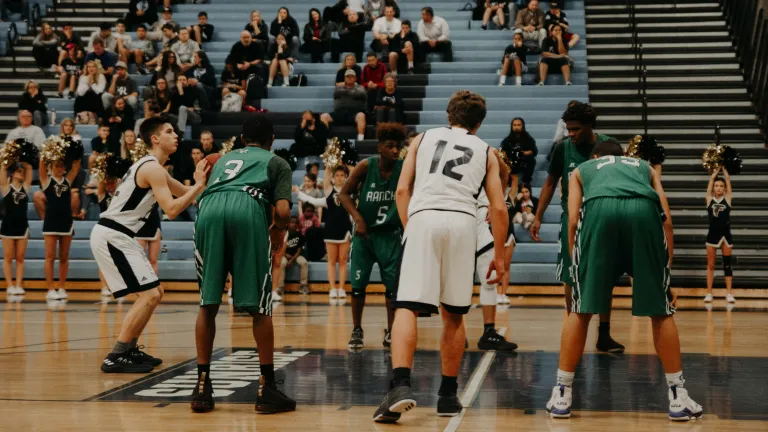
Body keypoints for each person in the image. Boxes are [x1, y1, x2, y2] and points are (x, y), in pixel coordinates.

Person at [373, 91, 508, 423]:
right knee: (455, 314)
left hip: (425, 217)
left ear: (449, 115)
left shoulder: (422, 139)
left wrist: (412, 228)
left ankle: (400, 386)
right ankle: (448, 395)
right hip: (463, 224)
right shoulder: (487, 151)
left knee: (406, 306)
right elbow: (499, 208)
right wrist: (499, 257)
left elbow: (402, 190)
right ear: (479, 123)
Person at [548, 139, 703, 422]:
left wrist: (576, 267)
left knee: (580, 309)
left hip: (599, 213)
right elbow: (667, 220)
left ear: (596, 157)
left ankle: (562, 394)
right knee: (661, 310)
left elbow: (572, 219)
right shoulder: (645, 167)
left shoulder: (582, 169)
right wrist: (665, 275)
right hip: (643, 213)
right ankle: (678, 396)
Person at [191, 115, 296, 414]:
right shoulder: (276, 162)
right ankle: (267, 388)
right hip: (247, 207)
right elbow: (283, 211)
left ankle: (202, 387)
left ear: (241, 139)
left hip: (209, 209)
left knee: (208, 303)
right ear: (271, 139)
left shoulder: (223, 159)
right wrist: (278, 231)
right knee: (260, 307)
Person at [90, 115, 208, 373]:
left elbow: (184, 193)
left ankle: (129, 349)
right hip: (112, 234)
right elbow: (172, 209)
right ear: (155, 138)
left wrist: (207, 186)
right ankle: (116, 355)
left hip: (121, 235)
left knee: (156, 293)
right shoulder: (152, 168)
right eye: (169, 131)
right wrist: (198, 185)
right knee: (150, 294)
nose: (176, 135)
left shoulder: (155, 168)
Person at [530, 102, 624, 353]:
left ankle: (604, 334)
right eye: (568, 128)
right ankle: (574, 329)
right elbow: (550, 183)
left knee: (604, 275)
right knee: (570, 276)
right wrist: (538, 217)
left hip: (602, 216)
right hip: (573, 217)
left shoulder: (609, 146)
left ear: (590, 126)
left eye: (576, 129)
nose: (570, 133)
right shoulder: (563, 148)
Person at [338, 123, 406, 350]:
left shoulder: (405, 169)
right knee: (358, 286)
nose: (395, 151)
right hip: (365, 235)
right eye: (390, 146)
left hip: (390, 235)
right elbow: (343, 194)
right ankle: (357, 329)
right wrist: (358, 218)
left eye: (398, 147)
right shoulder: (366, 166)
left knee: (392, 288)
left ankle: (392, 331)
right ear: (379, 147)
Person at [474, 151, 518, 351]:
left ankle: (488, 331)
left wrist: (495, 200)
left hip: (475, 220)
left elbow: (505, 173)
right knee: (459, 282)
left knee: (488, 279)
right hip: (464, 218)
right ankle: (459, 330)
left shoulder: (483, 154)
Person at [295, 165, 353, 299]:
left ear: (346, 177)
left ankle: (341, 288)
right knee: (331, 260)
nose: (339, 178)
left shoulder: (349, 191)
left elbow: (354, 172)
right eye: (337, 175)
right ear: (333, 177)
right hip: (331, 229)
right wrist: (330, 162)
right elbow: (314, 199)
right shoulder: (329, 191)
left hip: (345, 230)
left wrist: (343, 163)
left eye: (342, 175)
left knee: (343, 260)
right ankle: (332, 288)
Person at [38, 150, 81, 301]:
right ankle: (50, 289)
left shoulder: (68, 181)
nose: (60, 168)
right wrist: (48, 151)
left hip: (66, 221)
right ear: (52, 167)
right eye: (57, 165)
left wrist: (75, 151)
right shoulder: (46, 181)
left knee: (64, 256)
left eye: (62, 166)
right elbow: (41, 165)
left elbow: (76, 166)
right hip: (51, 222)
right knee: (50, 256)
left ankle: (62, 287)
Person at [1, 161, 32, 296]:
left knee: (20, 258)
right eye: (19, 171)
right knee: (8, 257)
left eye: (22, 172)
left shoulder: (25, 188)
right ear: (12, 174)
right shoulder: (6, 188)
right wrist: (9, 159)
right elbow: (3, 169)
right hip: (8, 226)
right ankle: (9, 285)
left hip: (22, 226)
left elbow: (29, 168)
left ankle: (19, 285)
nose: (22, 173)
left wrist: (22, 158)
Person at [704, 167, 734, 303]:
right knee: (711, 265)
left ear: (724, 188)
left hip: (726, 236)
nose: (718, 188)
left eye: (721, 186)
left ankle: (729, 293)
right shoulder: (709, 199)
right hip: (712, 236)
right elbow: (711, 181)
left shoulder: (727, 199)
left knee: (727, 265)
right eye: (716, 186)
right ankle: (709, 293)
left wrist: (724, 168)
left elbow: (727, 179)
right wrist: (715, 171)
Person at [321, 69, 368, 142]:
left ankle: (360, 141)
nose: (349, 78)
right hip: (339, 113)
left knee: (361, 116)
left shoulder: (360, 87)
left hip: (354, 113)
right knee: (324, 116)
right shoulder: (338, 88)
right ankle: (325, 141)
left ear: (355, 78)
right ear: (344, 78)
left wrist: (347, 90)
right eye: (347, 76)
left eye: (351, 76)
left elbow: (361, 94)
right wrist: (349, 91)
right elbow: (337, 93)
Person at [275, 216, 310, 297]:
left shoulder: (299, 235)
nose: (293, 224)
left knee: (304, 262)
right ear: (288, 224)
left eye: (295, 223)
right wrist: (285, 255)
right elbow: (279, 248)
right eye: (291, 222)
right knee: (282, 263)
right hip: (284, 254)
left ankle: (303, 286)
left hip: (296, 255)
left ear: (297, 225)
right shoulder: (283, 234)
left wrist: (292, 259)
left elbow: (299, 250)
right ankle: (280, 287)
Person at [500, 117, 538, 184]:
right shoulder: (507, 140)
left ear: (522, 126)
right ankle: (508, 180)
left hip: (524, 162)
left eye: (519, 125)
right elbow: (502, 152)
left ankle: (526, 182)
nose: (516, 127)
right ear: (512, 126)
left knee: (532, 160)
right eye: (514, 125)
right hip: (512, 163)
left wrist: (523, 153)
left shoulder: (528, 139)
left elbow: (534, 151)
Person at [135, 203, 161, 275]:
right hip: (139, 224)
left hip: (154, 223)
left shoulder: (158, 195)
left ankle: (154, 281)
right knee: (140, 260)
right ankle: (142, 281)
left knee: (153, 260)